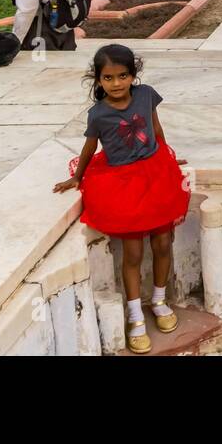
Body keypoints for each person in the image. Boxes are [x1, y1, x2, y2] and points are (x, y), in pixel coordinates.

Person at [52, 44, 190, 354]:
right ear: (98, 80)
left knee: (163, 243)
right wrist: (77, 176)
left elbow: (155, 127)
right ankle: (135, 315)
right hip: (123, 183)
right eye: (108, 77)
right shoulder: (98, 114)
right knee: (132, 252)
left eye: (123, 75)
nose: (116, 83)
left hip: (156, 176)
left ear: (133, 75)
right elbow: (89, 148)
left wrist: (168, 157)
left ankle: (158, 300)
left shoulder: (146, 95)